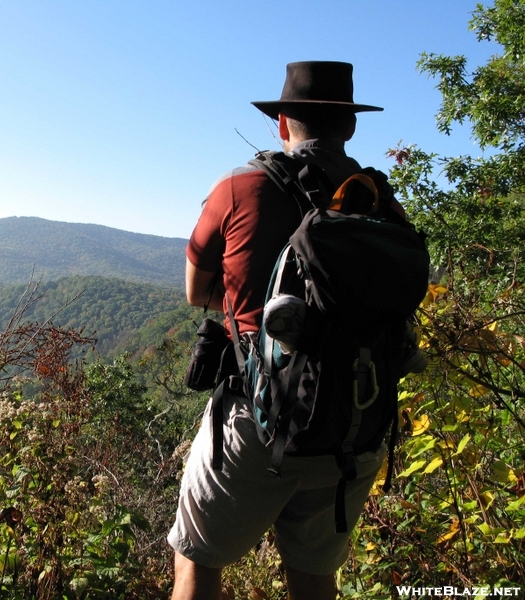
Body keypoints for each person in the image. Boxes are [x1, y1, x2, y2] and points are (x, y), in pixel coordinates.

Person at [168, 61, 401, 600]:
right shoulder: (381, 202)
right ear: (350, 127)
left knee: (196, 559)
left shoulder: (238, 188)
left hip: (260, 419)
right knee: (315, 575)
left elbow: (196, 292)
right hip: (355, 423)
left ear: (281, 123)